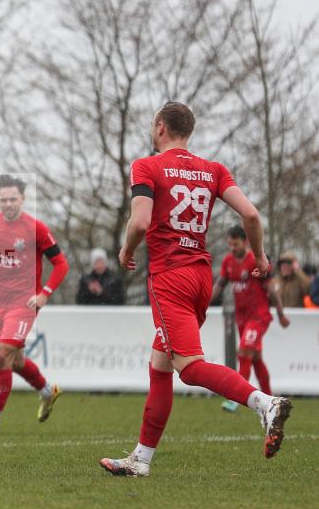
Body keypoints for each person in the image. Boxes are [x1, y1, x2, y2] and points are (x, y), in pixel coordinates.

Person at [100, 102, 293, 478]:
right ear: (189, 131)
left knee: (188, 368)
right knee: (160, 366)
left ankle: (263, 402)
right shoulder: (214, 169)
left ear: (159, 128)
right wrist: (261, 256)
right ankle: (140, 459)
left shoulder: (147, 165)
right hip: (201, 277)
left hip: (170, 277)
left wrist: (125, 251)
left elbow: (139, 221)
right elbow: (251, 215)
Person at [0, 174, 69, 435]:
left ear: (23, 199)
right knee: (15, 361)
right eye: (3, 200)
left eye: (13, 199)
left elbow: (61, 264)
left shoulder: (35, 228)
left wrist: (44, 293)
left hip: (25, 302)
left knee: (2, 356)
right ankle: (48, 391)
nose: (8, 204)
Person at [212, 226, 290, 412]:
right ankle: (272, 401)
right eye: (230, 244)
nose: (232, 247)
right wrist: (203, 304)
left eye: (235, 244)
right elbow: (220, 285)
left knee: (244, 351)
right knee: (255, 358)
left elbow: (271, 289)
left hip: (258, 316)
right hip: (242, 317)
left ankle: (236, 399)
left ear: (245, 242)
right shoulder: (228, 261)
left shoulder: (254, 260)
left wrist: (280, 314)